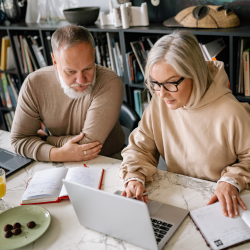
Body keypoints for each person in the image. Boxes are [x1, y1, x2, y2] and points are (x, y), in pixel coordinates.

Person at [119, 30, 250, 218]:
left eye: (171, 83)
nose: (162, 94)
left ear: (194, 75)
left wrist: (231, 180)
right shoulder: (160, 102)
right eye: (155, 83)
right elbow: (140, 148)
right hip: (180, 199)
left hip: (219, 204)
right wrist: (134, 177)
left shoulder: (231, 111)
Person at [11, 24, 125, 162]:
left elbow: (88, 146)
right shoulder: (34, 84)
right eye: (71, 71)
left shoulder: (109, 82)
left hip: (108, 160)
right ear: (55, 62)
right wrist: (57, 154)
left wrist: (45, 139)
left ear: (94, 55)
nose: (81, 80)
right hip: (58, 162)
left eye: (88, 68)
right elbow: (19, 140)